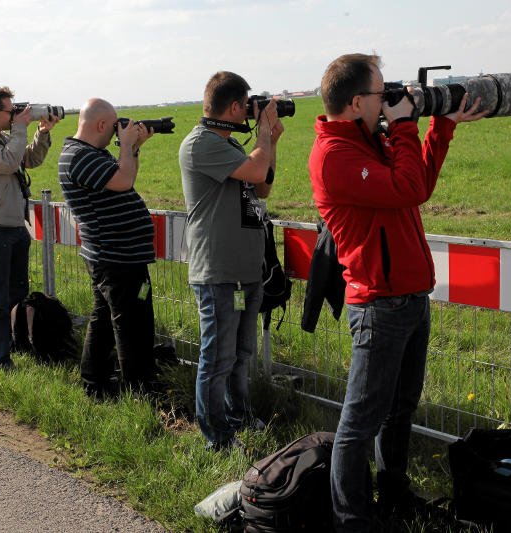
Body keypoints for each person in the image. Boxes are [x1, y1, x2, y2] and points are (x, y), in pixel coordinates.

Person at [307, 53, 485, 531]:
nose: (389, 99)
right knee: (360, 422)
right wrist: (405, 125)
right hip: (378, 305)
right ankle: (351, 520)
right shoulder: (335, 156)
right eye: (381, 92)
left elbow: (417, 183)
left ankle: (393, 496)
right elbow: (408, 188)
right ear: (356, 102)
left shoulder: (369, 141)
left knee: (400, 410)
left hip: (409, 297)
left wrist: (441, 128)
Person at [179, 71, 284, 450]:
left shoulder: (232, 145)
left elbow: (262, 185)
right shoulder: (200, 143)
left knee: (241, 355)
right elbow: (256, 170)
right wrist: (263, 134)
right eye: (248, 105)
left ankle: (239, 416)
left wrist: (270, 141)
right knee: (218, 358)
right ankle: (218, 437)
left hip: (245, 270)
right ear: (237, 106)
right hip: (218, 272)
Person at [58, 98, 156, 398]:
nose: (117, 131)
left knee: (104, 320)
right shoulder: (79, 156)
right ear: (101, 124)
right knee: (133, 324)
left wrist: (133, 148)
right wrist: (125, 145)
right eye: (114, 127)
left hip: (119, 255)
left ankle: (94, 382)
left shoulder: (90, 154)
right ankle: (139, 391)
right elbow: (124, 180)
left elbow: (125, 177)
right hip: (116, 257)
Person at [0, 87, 59, 371]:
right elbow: (7, 163)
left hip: (15, 225)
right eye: (9, 111)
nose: (13, 115)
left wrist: (41, 132)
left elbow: (29, 159)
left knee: (17, 293)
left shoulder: (2, 138)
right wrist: (19, 128)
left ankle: (15, 344)